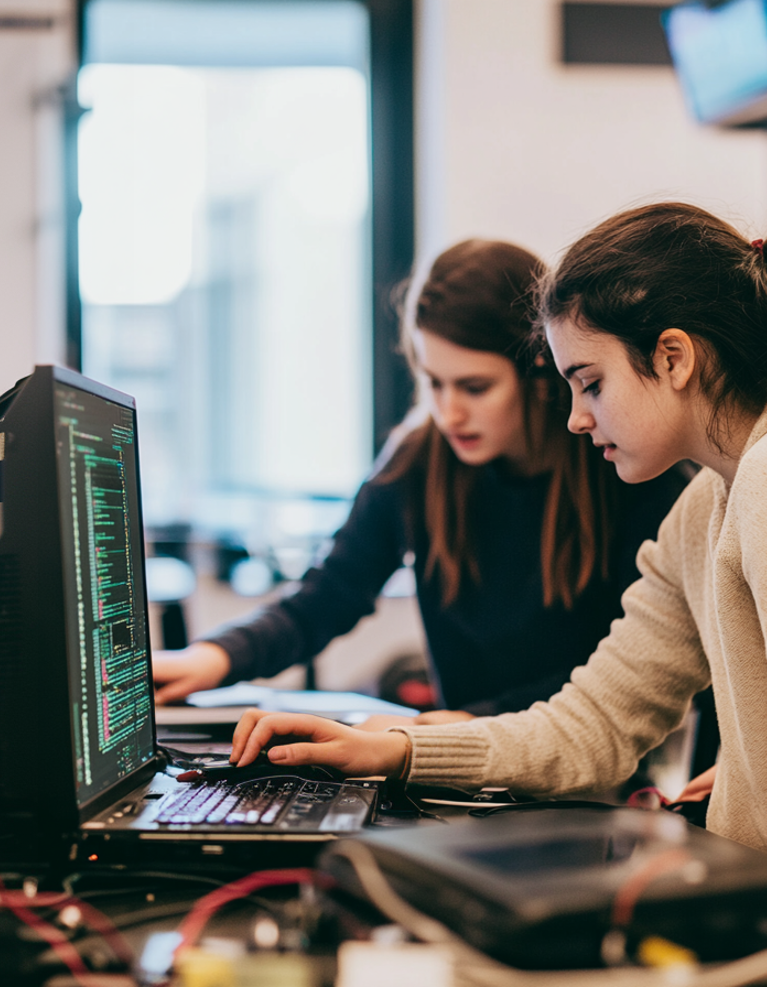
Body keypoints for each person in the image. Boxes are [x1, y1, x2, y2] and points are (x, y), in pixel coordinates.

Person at [227, 203, 767, 903]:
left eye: (590, 383)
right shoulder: (711, 503)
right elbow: (591, 729)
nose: (577, 418)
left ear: (674, 357)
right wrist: (393, 747)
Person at [152, 239, 689, 722]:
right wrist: (214, 656)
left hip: (584, 764)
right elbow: (327, 596)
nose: (449, 413)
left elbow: (630, 670)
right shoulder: (417, 462)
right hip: (466, 761)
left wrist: (475, 723)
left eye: (474, 388)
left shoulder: (624, 467)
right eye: (434, 383)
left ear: (539, 371)